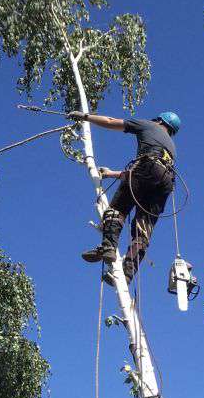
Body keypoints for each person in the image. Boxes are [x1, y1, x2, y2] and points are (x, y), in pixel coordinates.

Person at [69, 110, 181, 285]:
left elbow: (111, 120)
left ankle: (108, 248)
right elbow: (145, 174)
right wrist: (111, 174)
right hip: (166, 182)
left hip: (147, 168)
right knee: (143, 229)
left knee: (117, 210)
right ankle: (127, 273)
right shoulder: (171, 148)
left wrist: (85, 117)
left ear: (160, 120)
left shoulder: (149, 125)